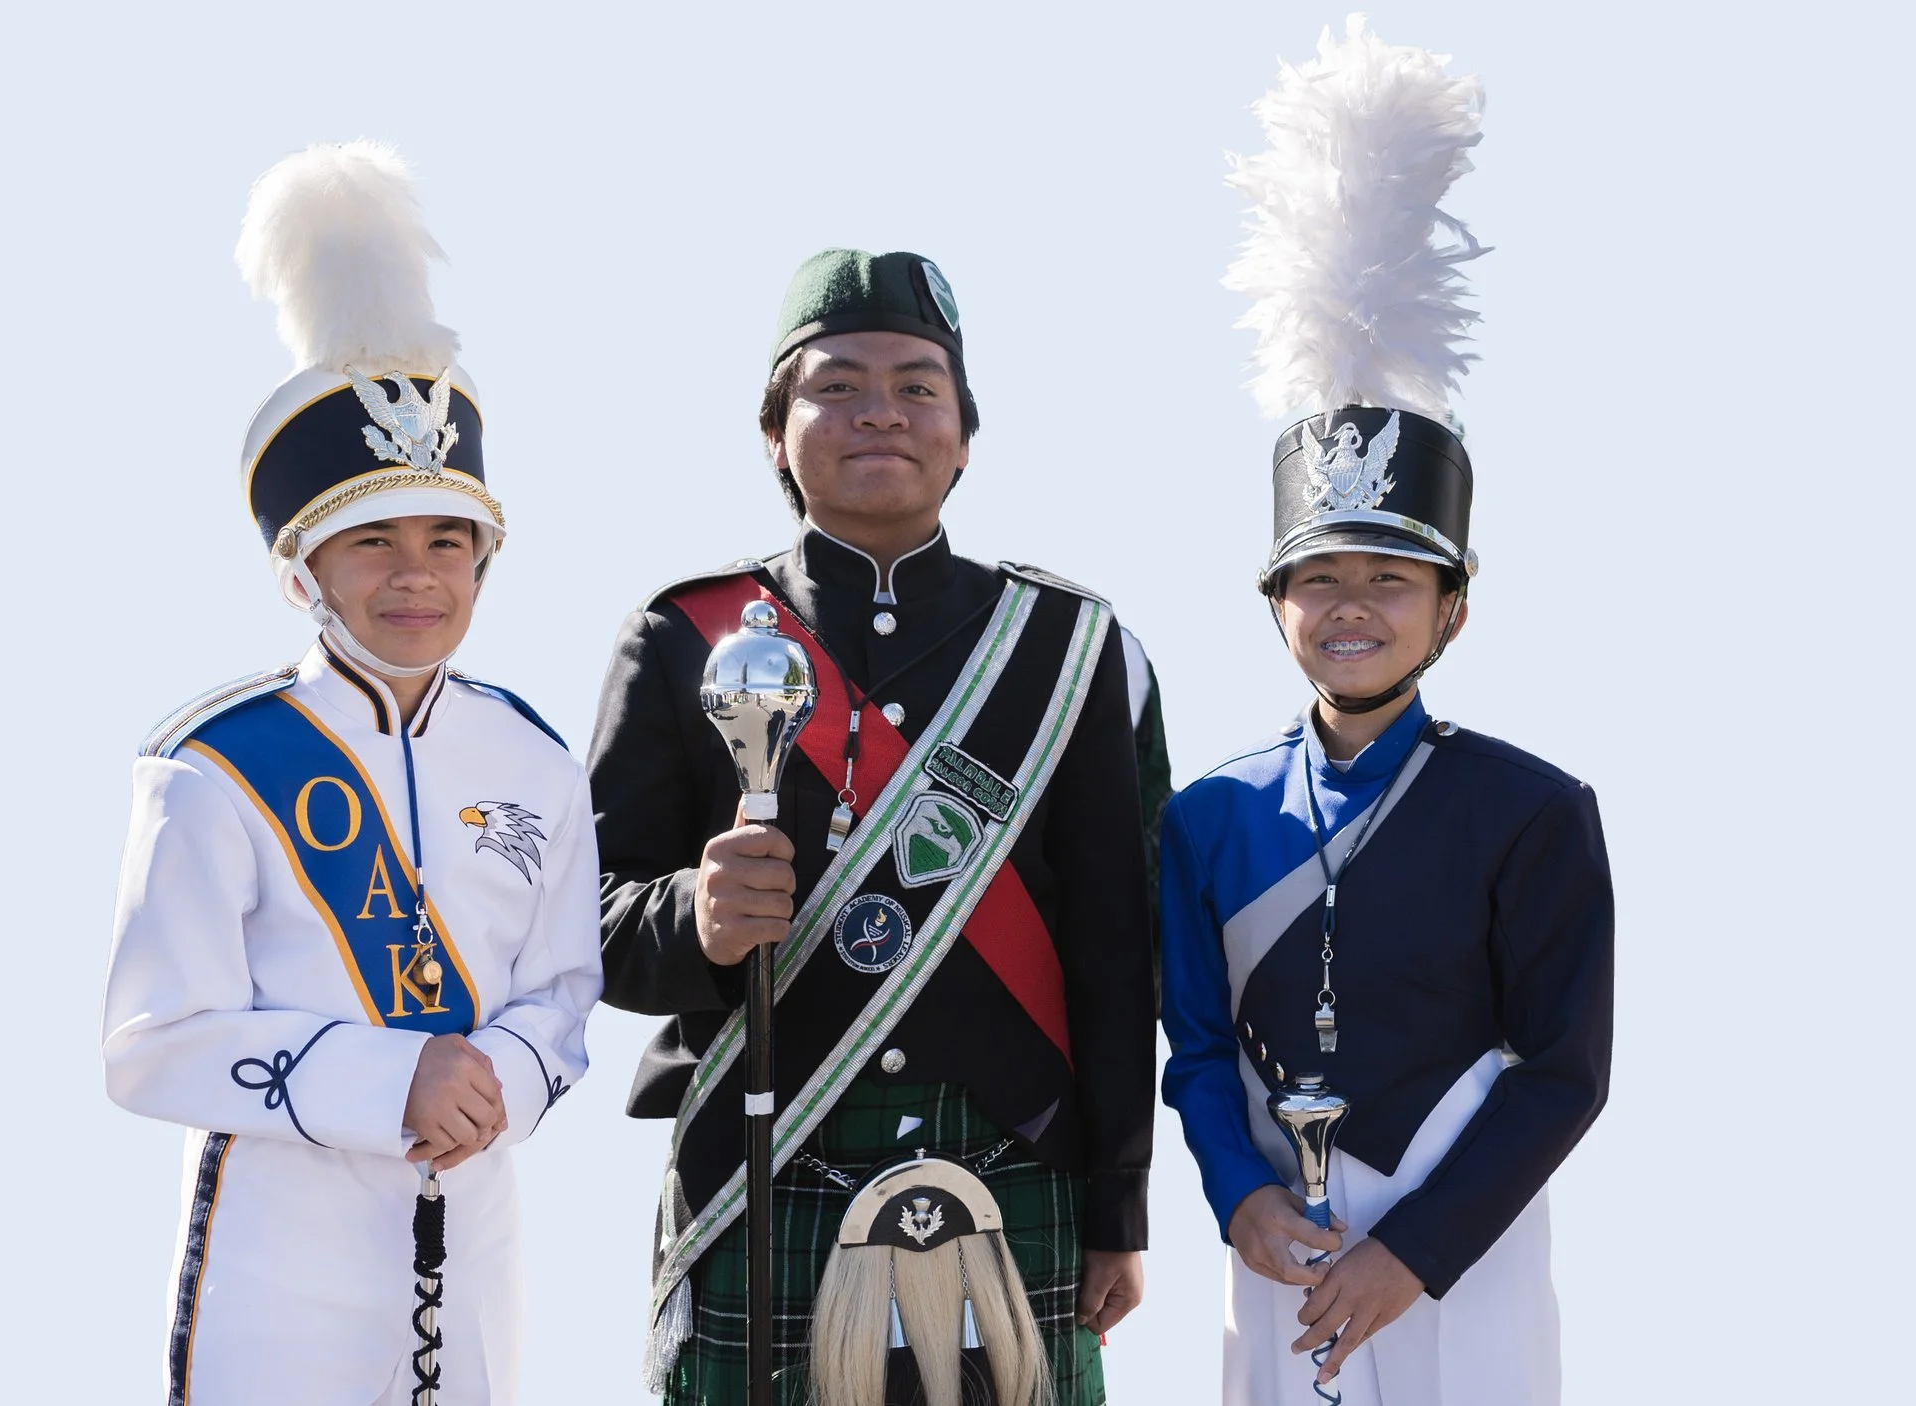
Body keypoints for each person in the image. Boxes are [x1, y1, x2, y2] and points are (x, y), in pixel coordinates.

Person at [588, 249, 1166, 1405]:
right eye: (836, 385)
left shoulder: (1067, 648)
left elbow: (1119, 948)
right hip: (764, 1155)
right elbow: (585, 924)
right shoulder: (685, 634)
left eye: (916, 386)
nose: (880, 413)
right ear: (774, 433)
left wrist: (1117, 1203)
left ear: (964, 435)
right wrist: (696, 919)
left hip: (1012, 1158)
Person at [101, 141, 602, 1406]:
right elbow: (151, 1045)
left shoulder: (538, 760)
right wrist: (392, 1080)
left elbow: (561, 993)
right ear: (301, 573)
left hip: (475, 1226)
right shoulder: (215, 764)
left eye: (448, 539)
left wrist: (494, 1082)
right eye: (370, 540)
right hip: (281, 1251)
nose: (416, 572)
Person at [1159, 23, 1613, 1406]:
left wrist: (1411, 1251)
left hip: (1462, 1250)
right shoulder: (1207, 814)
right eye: (1320, 578)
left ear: (1454, 609)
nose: (1351, 604)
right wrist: (1239, 1195)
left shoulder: (1531, 808)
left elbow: (1563, 1071)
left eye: (1391, 579)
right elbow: (1196, 1044)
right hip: (1275, 1238)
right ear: (1275, 601)